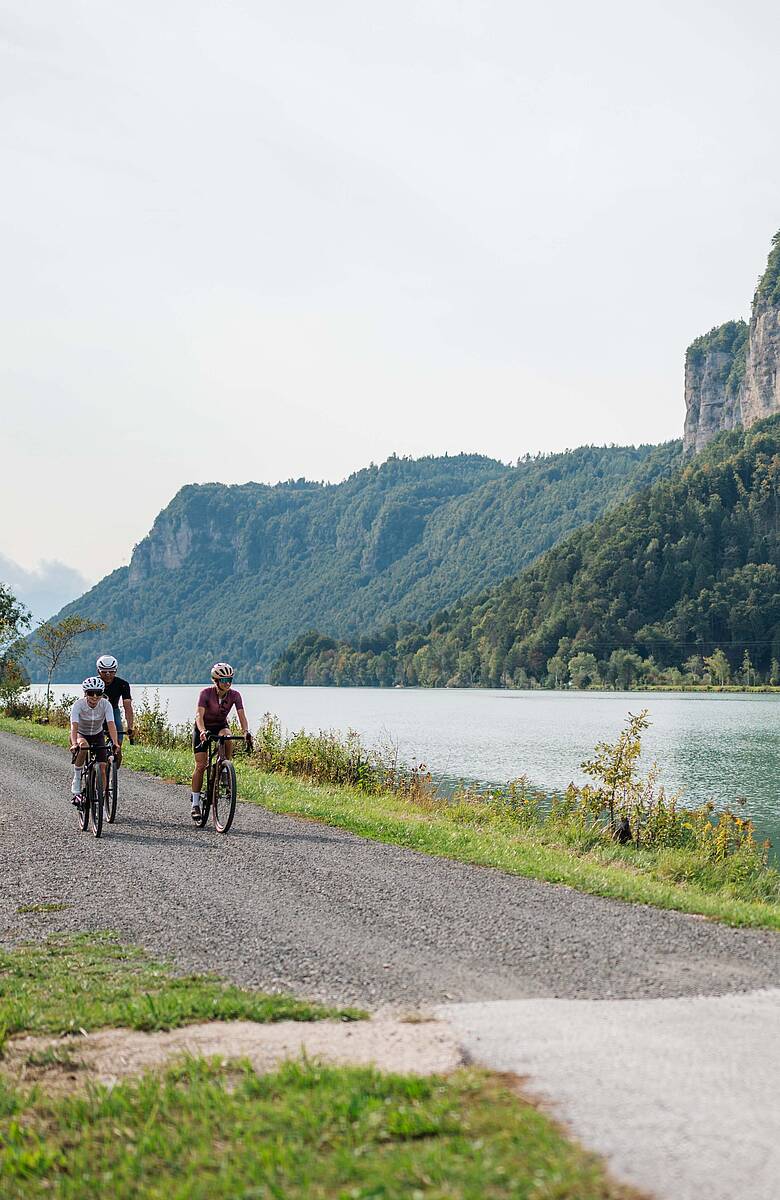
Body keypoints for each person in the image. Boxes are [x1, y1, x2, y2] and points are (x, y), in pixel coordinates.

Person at [191, 662, 252, 821]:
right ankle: (195, 803)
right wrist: (203, 731)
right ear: (216, 681)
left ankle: (224, 768)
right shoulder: (205, 693)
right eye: (224, 680)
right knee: (200, 766)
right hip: (203, 727)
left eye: (230, 679)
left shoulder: (235, 695)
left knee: (227, 735)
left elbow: (241, 716)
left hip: (220, 725)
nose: (228, 683)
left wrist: (246, 732)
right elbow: (199, 715)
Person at [69, 677, 119, 806]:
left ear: (102, 693)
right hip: (81, 734)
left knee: (102, 768)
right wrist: (74, 743)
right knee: (83, 747)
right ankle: (78, 777)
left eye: (98, 693)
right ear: (85, 693)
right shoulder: (78, 705)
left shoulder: (106, 704)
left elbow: (111, 724)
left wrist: (115, 743)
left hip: (97, 734)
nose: (95, 696)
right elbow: (74, 726)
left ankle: (101, 795)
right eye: (91, 693)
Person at [96, 654, 134, 766]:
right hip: (97, 712)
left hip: (114, 711)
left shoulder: (122, 684)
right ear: (98, 671)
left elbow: (128, 707)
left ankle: (113, 773)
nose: (108, 675)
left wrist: (130, 727)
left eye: (111, 672)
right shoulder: (94, 683)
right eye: (104, 672)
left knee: (118, 744)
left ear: (116, 671)